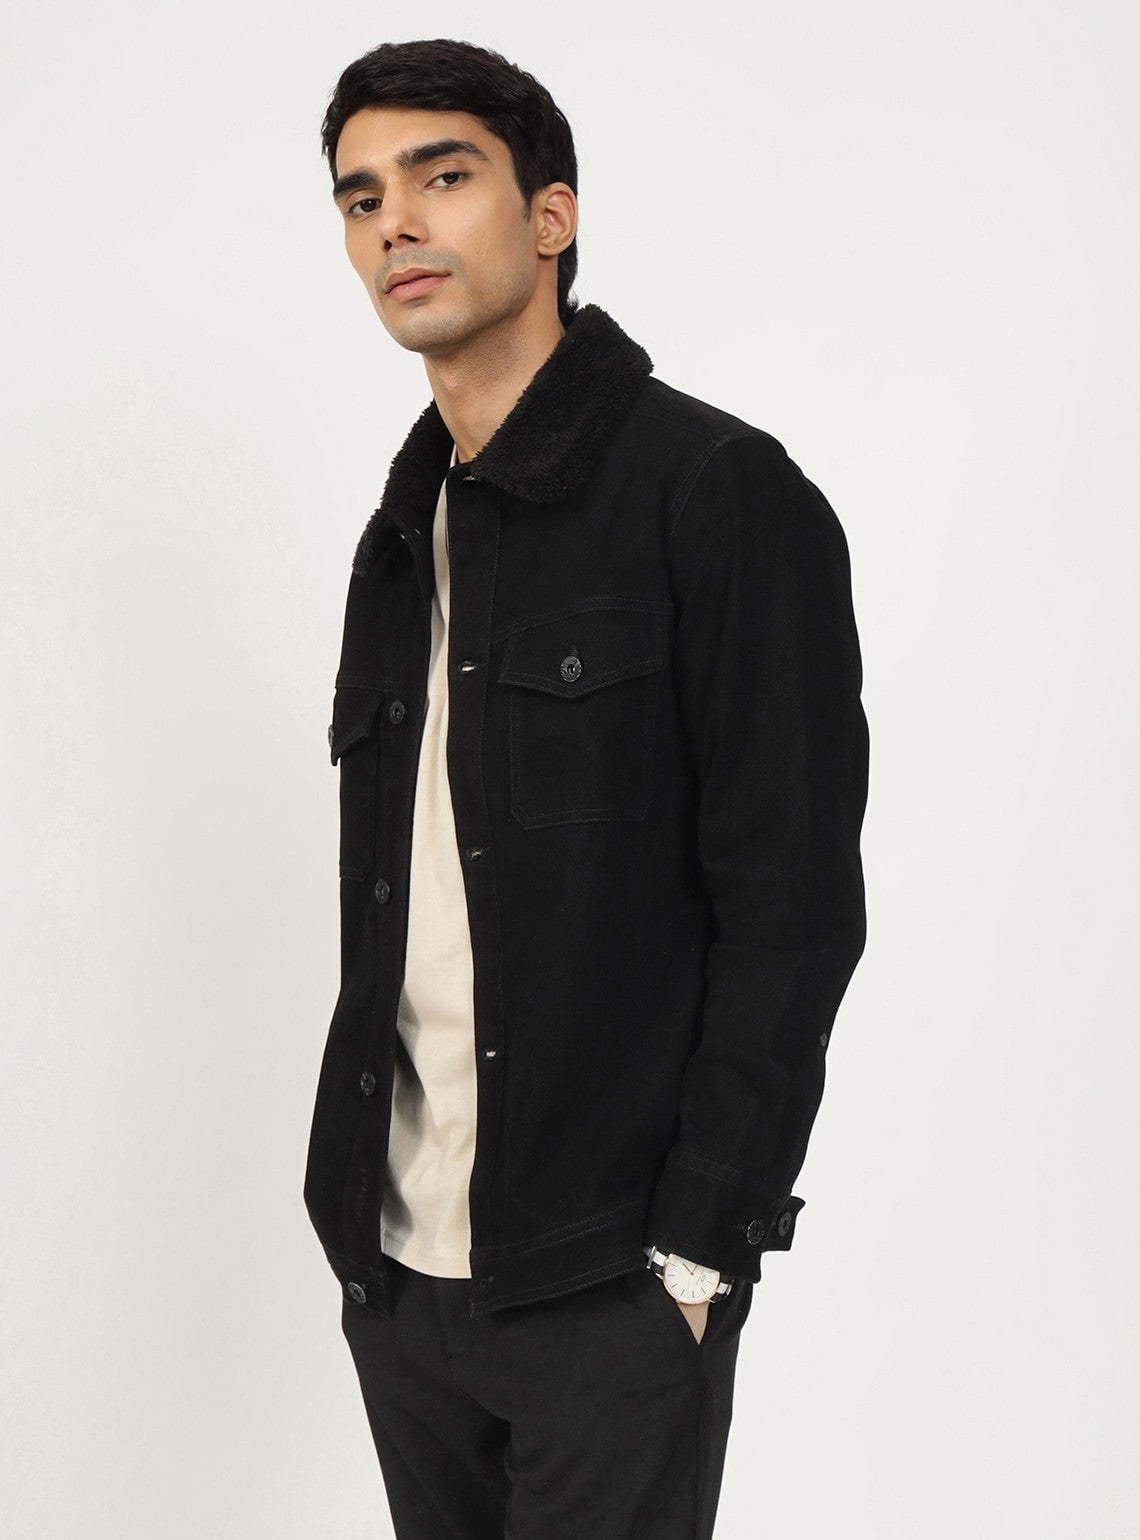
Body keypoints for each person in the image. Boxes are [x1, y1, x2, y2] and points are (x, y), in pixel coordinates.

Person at [304, 36, 868, 1540]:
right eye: (362, 198)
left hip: (611, 1282)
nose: (397, 223)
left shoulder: (718, 492)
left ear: (550, 214)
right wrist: (357, 1242)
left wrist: (698, 1247)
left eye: (443, 176)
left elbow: (794, 908)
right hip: (400, 1277)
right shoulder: (399, 535)